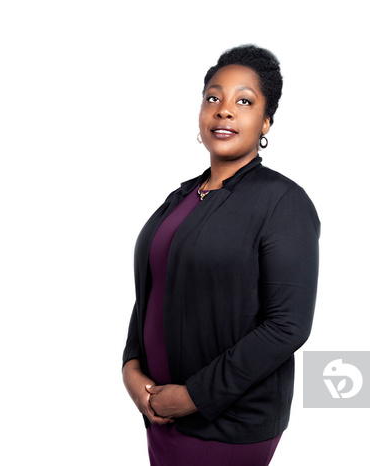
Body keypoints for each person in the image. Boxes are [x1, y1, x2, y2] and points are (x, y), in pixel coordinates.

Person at [122, 44, 320, 466]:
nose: (224, 110)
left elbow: (288, 326)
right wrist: (132, 366)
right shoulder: (181, 197)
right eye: (213, 97)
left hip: (227, 426)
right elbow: (154, 288)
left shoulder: (282, 202)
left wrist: (193, 396)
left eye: (243, 101)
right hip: (161, 416)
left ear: (266, 121)